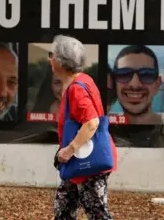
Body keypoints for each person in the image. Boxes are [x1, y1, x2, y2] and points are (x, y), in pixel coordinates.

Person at [50, 35, 117, 219]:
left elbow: (92, 122)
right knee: (63, 208)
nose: (50, 59)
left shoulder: (77, 88)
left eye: (52, 55)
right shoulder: (83, 80)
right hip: (80, 162)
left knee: (97, 213)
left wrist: (69, 150)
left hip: (88, 162)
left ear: (61, 61)